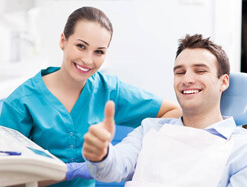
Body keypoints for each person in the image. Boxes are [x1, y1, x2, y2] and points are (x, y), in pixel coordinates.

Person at [0, 6, 181, 187]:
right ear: (63, 41)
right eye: (81, 46)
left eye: (99, 51)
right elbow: (4, 179)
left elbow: (173, 111)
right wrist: (69, 171)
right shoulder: (21, 102)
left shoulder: (108, 90)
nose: (88, 59)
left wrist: (126, 153)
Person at [83, 34, 247, 186]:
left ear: (224, 82)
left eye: (200, 71)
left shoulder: (241, 148)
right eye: (180, 72)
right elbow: (115, 168)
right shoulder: (150, 129)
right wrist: (101, 154)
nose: (187, 79)